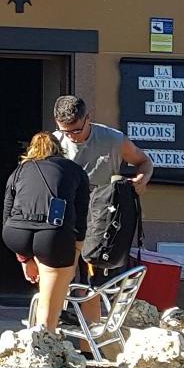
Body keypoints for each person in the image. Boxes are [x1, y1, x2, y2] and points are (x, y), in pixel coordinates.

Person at [51, 94, 152, 276]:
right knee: (63, 274)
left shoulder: (113, 139)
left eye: (77, 130)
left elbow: (144, 161)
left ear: (88, 118)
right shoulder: (54, 142)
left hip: (102, 214)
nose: (72, 137)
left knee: (96, 278)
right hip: (67, 213)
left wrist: (141, 180)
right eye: (66, 132)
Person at [2, 131, 91, 331]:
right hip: (53, 234)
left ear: (31, 150)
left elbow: (7, 213)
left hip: (15, 234)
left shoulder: (19, 171)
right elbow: (81, 217)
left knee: (45, 278)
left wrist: (24, 259)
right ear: (59, 149)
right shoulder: (74, 170)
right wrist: (76, 253)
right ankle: (45, 334)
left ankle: (38, 332)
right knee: (53, 292)